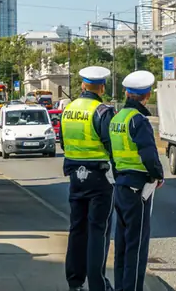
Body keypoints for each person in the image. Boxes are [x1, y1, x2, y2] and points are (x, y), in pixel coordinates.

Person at [108, 70, 164, 291]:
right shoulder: (138, 120)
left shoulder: (116, 119)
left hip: (121, 184)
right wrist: (158, 175)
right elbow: (148, 153)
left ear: (126, 93)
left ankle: (121, 286)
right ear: (147, 95)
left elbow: (113, 153)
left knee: (122, 243)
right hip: (137, 188)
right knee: (137, 245)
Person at [61, 66, 116, 291]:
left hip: (75, 176)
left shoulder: (68, 109)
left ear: (83, 85)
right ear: (101, 87)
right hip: (99, 178)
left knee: (77, 229)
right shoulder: (102, 111)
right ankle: (97, 285)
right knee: (98, 231)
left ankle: (74, 282)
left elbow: (64, 143)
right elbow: (110, 144)